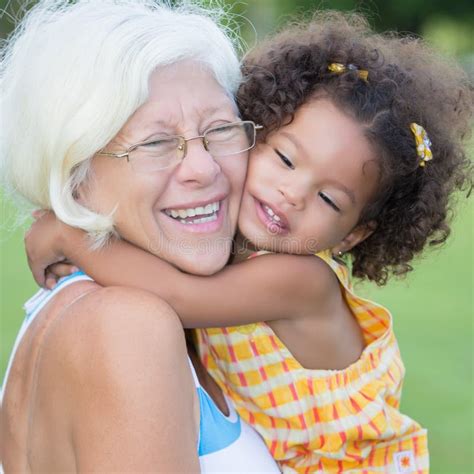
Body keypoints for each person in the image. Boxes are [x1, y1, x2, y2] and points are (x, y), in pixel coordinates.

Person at [26, 10, 474, 474]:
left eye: (327, 197)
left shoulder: (303, 280)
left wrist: (70, 236)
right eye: (284, 158)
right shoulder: (229, 250)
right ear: (254, 134)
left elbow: (178, 297)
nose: (292, 194)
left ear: (354, 233)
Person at [0, 1, 281, 472]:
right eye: (155, 143)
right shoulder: (128, 326)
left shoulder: (92, 308)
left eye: (220, 130)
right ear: (74, 176)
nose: (203, 167)